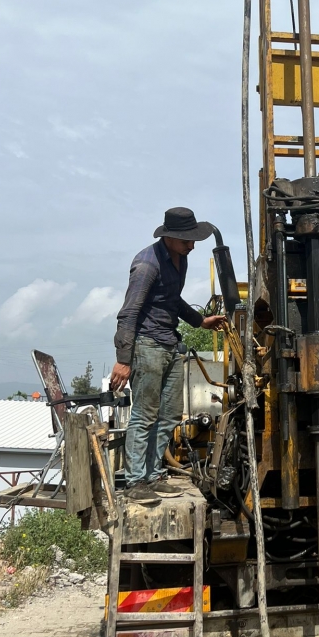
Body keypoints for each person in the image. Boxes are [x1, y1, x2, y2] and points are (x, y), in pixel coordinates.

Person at [109, 207, 227, 494]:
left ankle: (152, 474)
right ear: (170, 237)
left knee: (171, 414)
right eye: (187, 239)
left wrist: (200, 321)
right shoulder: (147, 265)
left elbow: (172, 299)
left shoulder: (179, 259)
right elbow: (128, 313)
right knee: (145, 414)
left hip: (170, 344)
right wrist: (123, 360)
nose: (192, 245)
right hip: (147, 345)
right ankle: (137, 480)